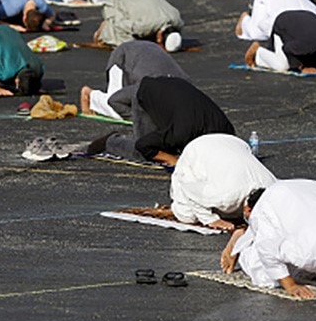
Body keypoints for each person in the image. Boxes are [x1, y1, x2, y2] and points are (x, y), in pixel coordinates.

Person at [91, 76, 235, 165]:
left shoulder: (227, 131)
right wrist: (172, 160)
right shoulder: (181, 132)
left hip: (171, 87)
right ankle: (110, 141)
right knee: (143, 153)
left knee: (168, 144)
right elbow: (144, 146)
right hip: (145, 95)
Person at [170, 133, 276, 230]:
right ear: (248, 209)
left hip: (234, 143)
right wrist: (210, 220)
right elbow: (189, 189)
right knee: (187, 215)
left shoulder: (273, 186)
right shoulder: (224, 196)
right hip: (197, 148)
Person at [80, 40, 189, 120]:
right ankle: (90, 95)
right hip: (123, 56)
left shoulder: (186, 85)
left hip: (147, 52)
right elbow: (114, 100)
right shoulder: (147, 87)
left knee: (140, 106)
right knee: (116, 108)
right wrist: (137, 118)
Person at [244, 10, 316, 74]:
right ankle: (258, 52)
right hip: (283, 24)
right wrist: (302, 67)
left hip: (304, 19)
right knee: (283, 65)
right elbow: (288, 49)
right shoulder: (308, 45)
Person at [94, 0, 183, 52]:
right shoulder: (144, 26)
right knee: (126, 42)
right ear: (159, 38)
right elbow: (119, 25)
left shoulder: (178, 21)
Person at [236, 0, 316, 43]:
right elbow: (262, 26)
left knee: (258, 34)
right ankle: (245, 19)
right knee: (256, 33)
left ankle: (248, 18)